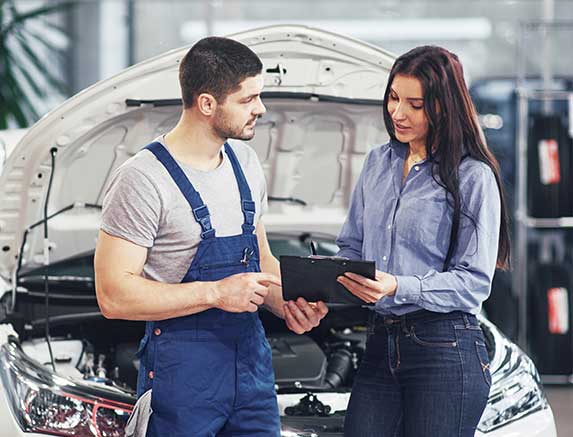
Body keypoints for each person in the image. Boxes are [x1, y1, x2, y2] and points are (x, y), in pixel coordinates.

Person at [94, 36, 328, 437]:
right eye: (248, 98)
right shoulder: (143, 179)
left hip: (252, 372)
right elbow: (113, 296)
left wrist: (288, 305)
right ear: (206, 104)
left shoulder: (246, 163)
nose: (261, 108)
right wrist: (216, 293)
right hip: (182, 379)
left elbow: (262, 261)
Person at [336, 45, 510, 437]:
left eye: (415, 104)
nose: (398, 113)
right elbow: (351, 246)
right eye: (393, 98)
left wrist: (398, 285)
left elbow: (473, 283)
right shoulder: (377, 162)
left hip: (444, 347)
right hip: (380, 340)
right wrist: (325, 284)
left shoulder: (473, 176)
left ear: (444, 107)